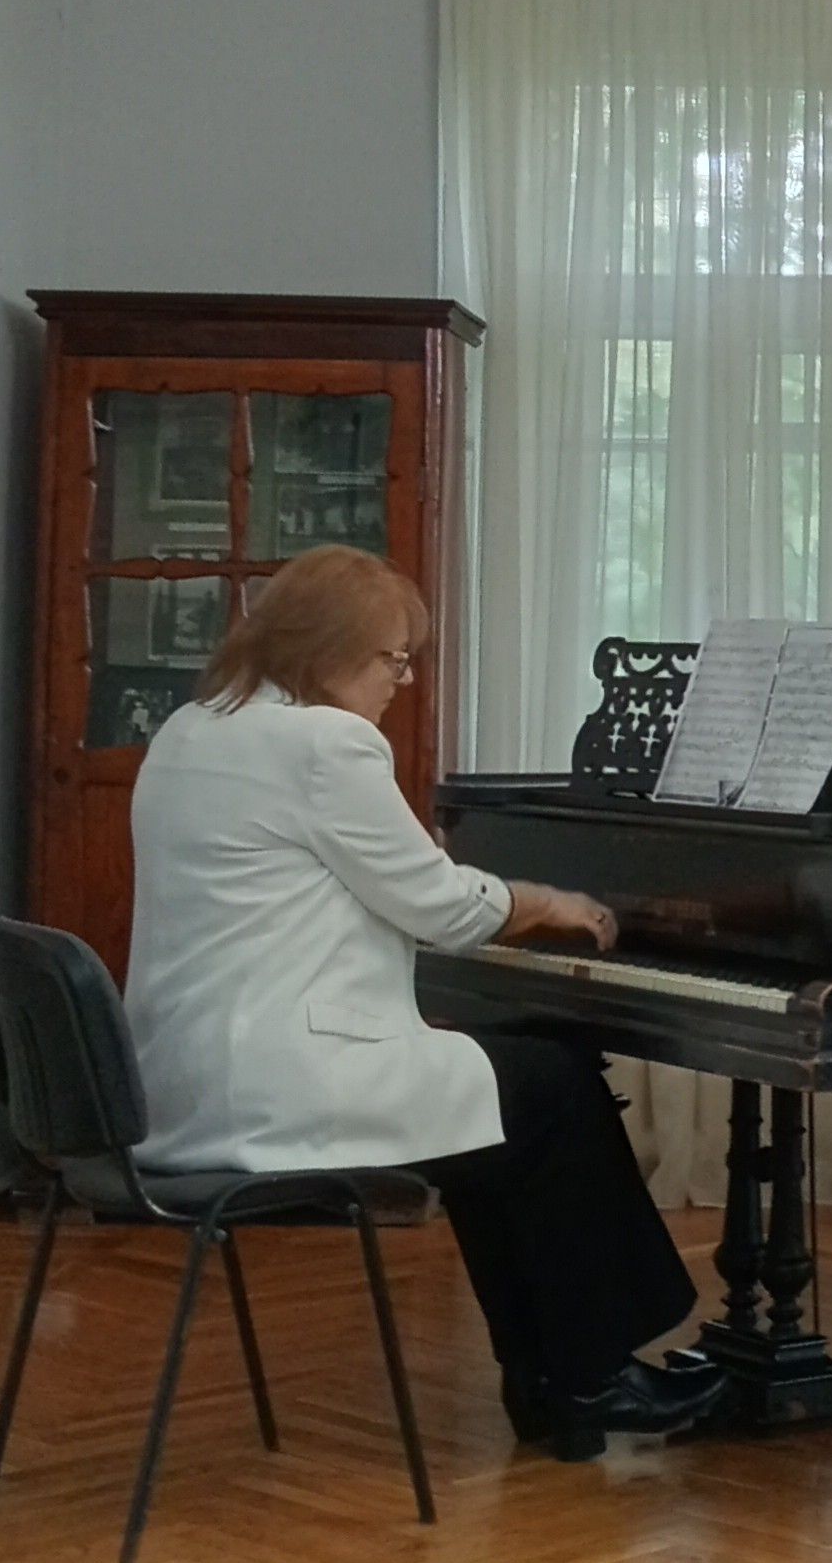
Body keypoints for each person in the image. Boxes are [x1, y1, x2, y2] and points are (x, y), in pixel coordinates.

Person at [123, 544, 726, 1461]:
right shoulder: (324, 745)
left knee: (501, 1105)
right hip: (282, 1082)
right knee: (552, 1087)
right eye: (391, 659)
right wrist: (548, 901)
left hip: (186, 1078)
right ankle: (589, 1376)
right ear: (326, 652)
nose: (402, 682)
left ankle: (557, 1381)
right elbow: (442, 908)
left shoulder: (193, 727)